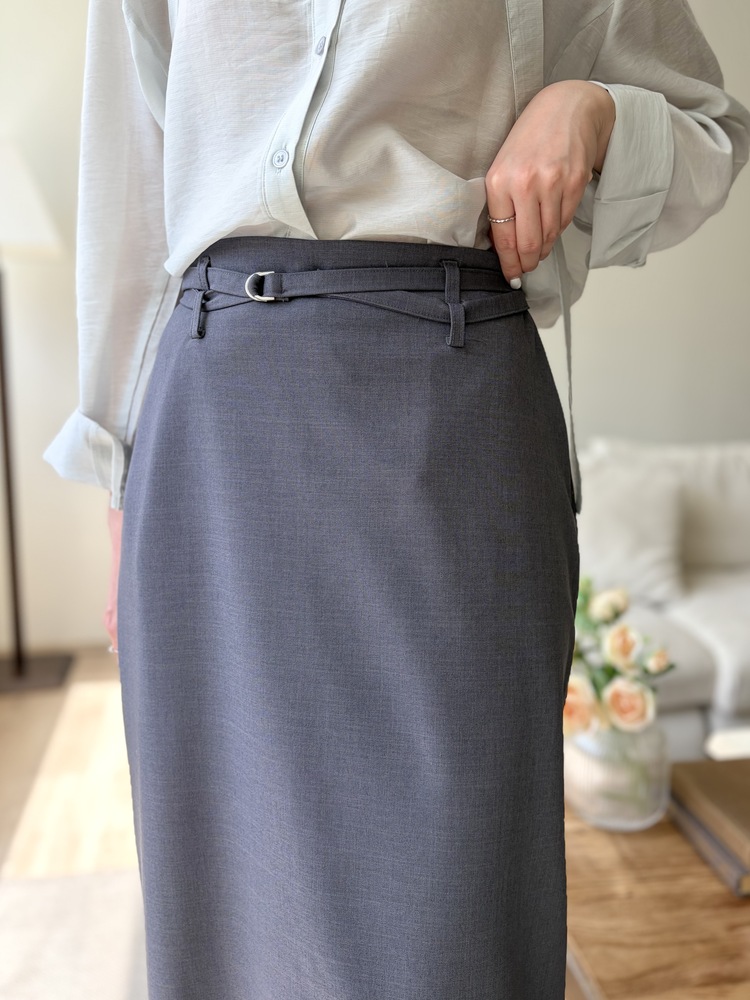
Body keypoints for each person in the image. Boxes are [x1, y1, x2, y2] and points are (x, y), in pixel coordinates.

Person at [43, 1, 750, 997]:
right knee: (225, 916)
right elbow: (130, 178)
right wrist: (123, 496)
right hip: (211, 431)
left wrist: (593, 111)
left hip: (448, 427)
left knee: (452, 925)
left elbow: (712, 134)